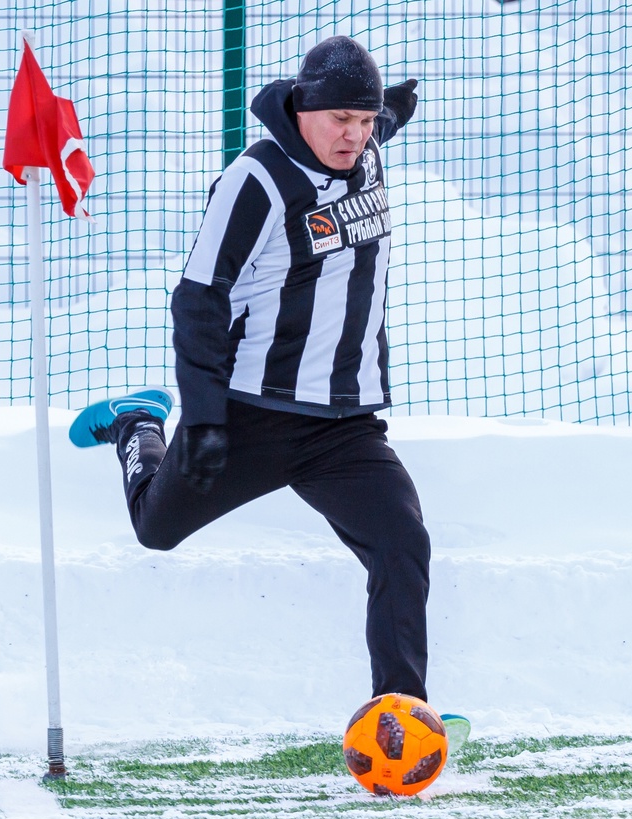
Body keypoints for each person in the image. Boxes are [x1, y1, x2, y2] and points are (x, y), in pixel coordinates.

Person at [70, 36, 427, 702]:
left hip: (346, 429)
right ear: (302, 109)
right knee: (156, 529)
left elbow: (378, 124)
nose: (354, 135)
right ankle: (138, 424)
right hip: (249, 415)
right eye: (340, 120)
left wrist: (394, 110)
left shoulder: (370, 148)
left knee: (403, 544)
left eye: (365, 120)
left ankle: (399, 714)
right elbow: (198, 301)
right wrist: (203, 420)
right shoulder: (255, 182)